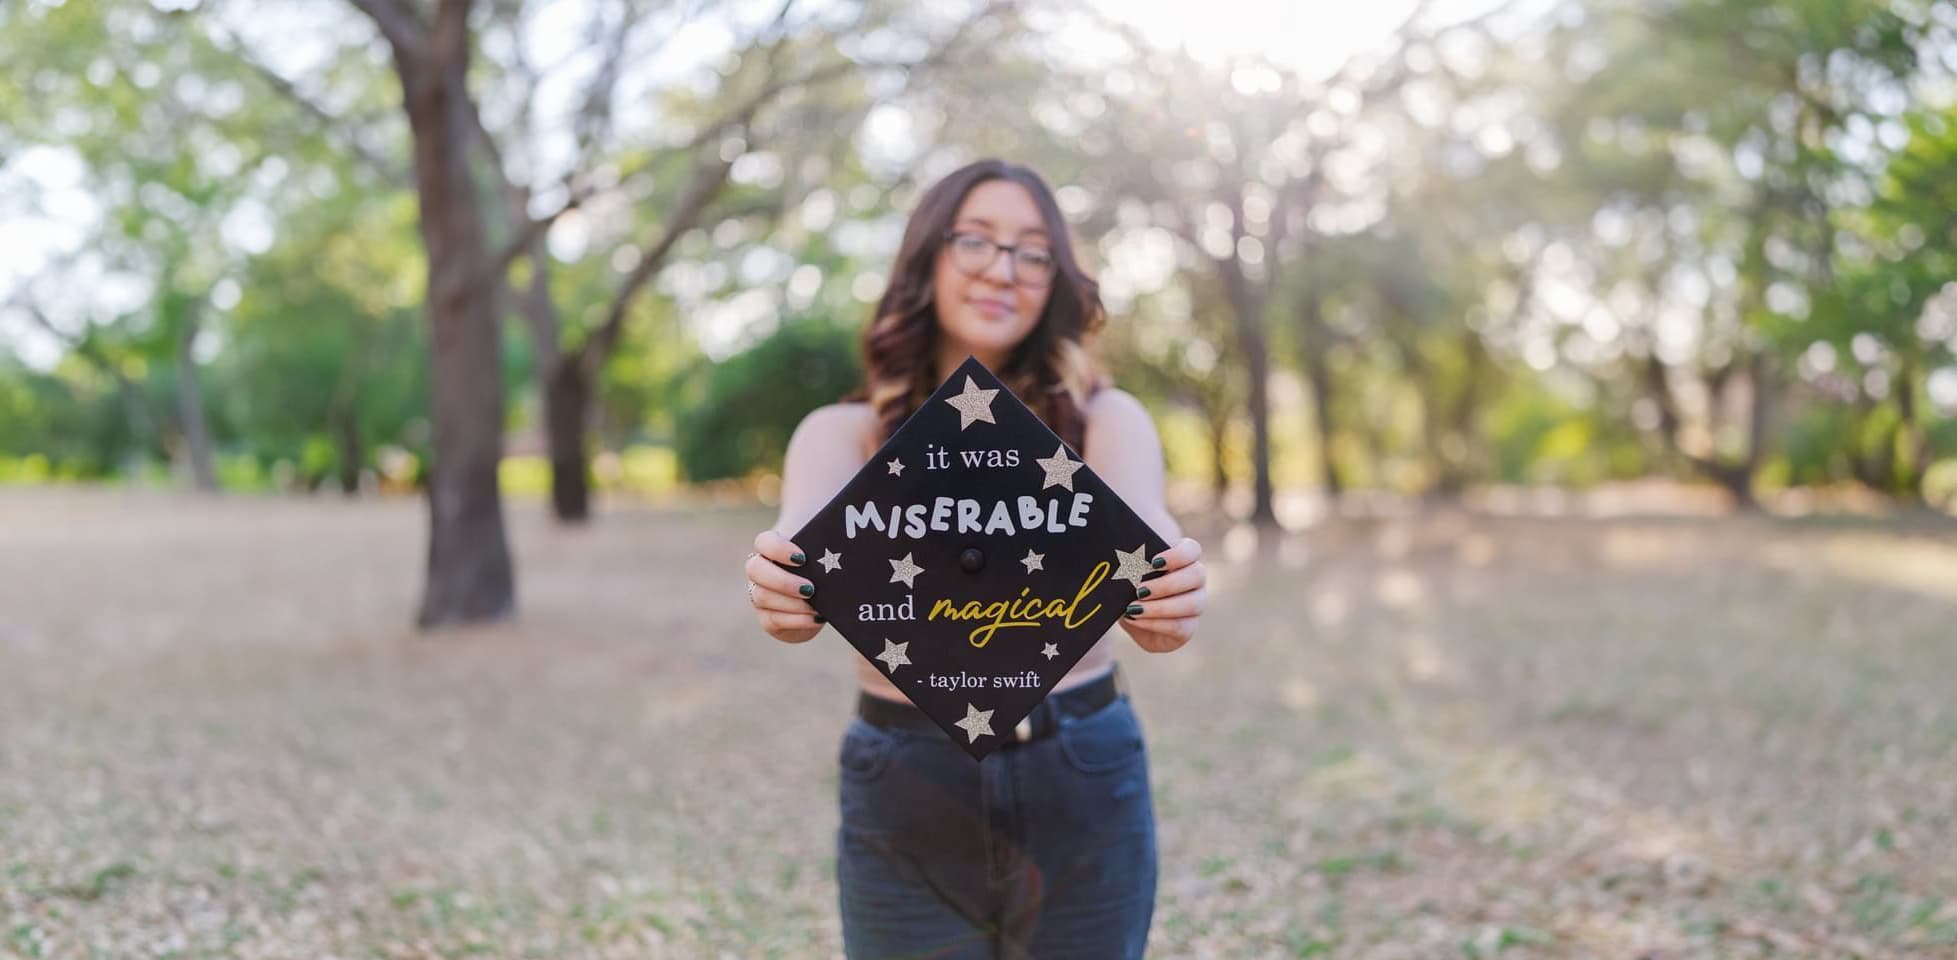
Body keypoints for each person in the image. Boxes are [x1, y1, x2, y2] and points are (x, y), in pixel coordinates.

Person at [742, 158, 1207, 959]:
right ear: (926, 256)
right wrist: (778, 593)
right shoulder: (837, 432)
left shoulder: (1105, 420)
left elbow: (1155, 563)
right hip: (904, 781)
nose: (1004, 270)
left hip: (1081, 769)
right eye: (977, 242)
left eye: (1032, 252)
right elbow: (796, 578)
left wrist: (1172, 600)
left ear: (1055, 278)